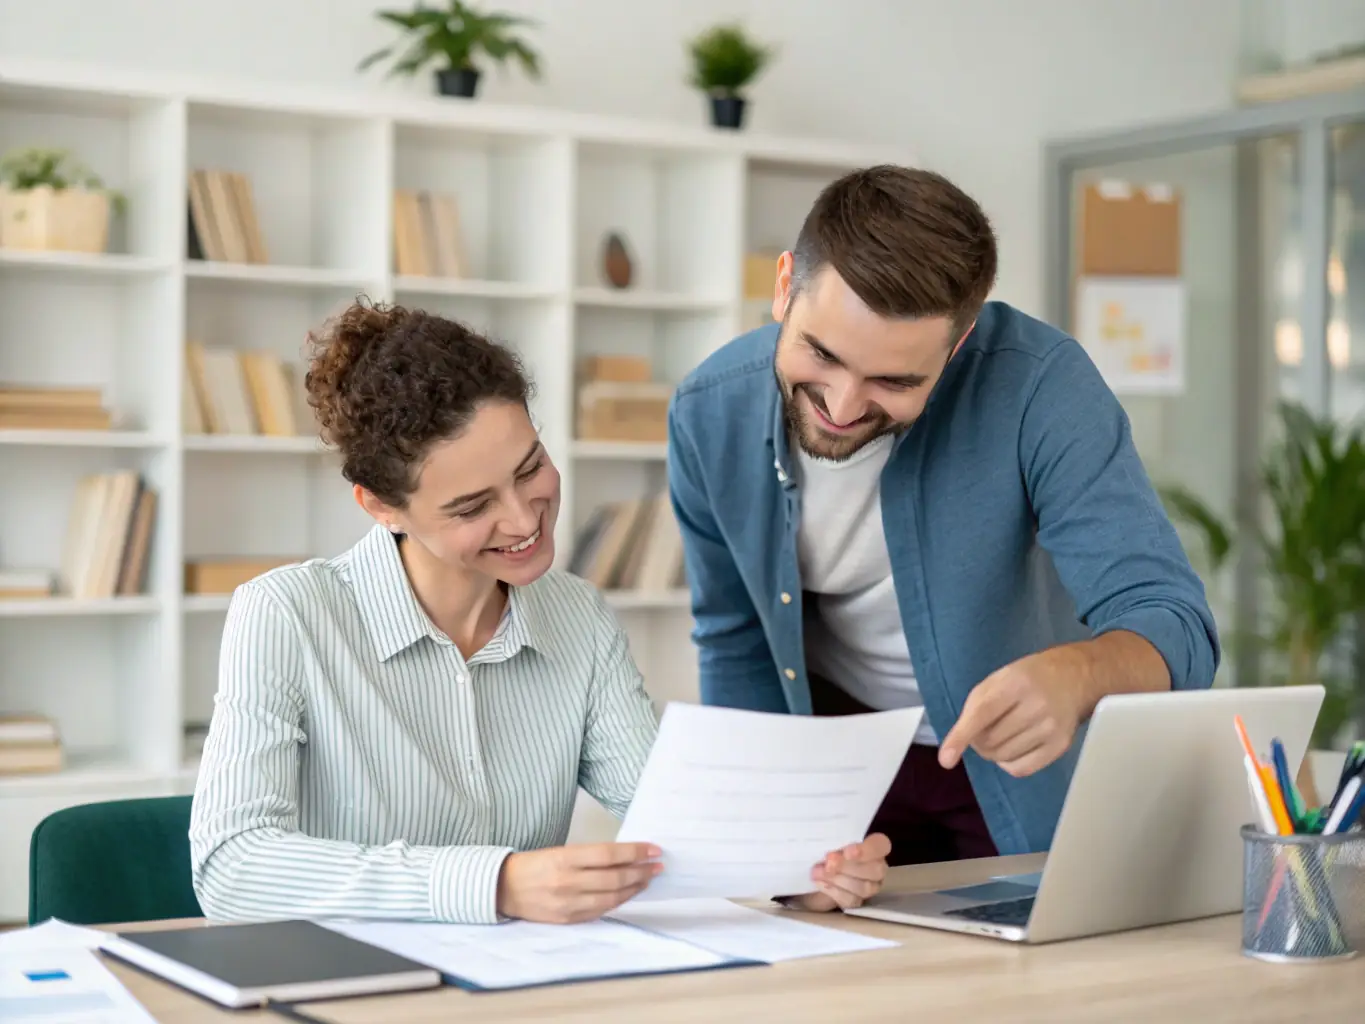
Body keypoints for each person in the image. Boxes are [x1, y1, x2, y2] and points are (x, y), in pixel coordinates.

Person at [188, 300, 891, 925]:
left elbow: (673, 816)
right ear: (381, 506)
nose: (524, 519)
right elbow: (231, 869)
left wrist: (797, 874)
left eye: (529, 468)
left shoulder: (576, 616)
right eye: (471, 506)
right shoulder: (286, 615)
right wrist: (497, 883)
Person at [667, 165, 1220, 865]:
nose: (840, 407)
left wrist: (1078, 675)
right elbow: (735, 640)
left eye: (892, 381)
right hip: (841, 766)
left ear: (955, 347)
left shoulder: (1042, 388)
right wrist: (767, 837)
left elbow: (1173, 622)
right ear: (784, 286)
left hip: (1014, 776)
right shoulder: (705, 411)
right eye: (821, 354)